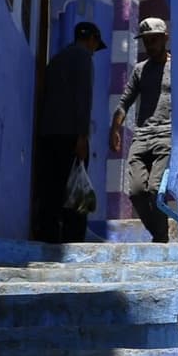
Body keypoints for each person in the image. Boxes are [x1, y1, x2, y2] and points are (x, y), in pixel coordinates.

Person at [29, 17, 103, 243]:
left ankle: (47, 234)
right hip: (71, 135)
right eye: (95, 45)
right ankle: (73, 238)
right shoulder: (84, 59)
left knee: (51, 186)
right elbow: (83, 98)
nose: (94, 50)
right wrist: (82, 136)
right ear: (91, 40)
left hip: (47, 133)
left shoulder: (57, 59)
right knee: (74, 188)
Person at [115, 15, 172, 240]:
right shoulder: (140, 70)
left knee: (155, 190)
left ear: (164, 39)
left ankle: (161, 237)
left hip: (167, 136)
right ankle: (159, 233)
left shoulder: (177, 68)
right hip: (142, 137)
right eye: (145, 41)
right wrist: (115, 129)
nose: (149, 45)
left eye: (153, 40)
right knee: (137, 191)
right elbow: (124, 102)